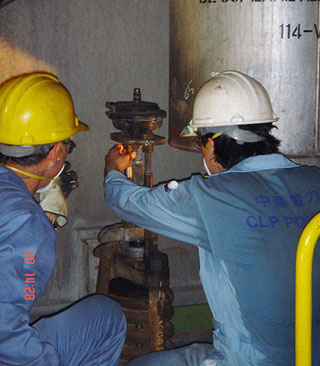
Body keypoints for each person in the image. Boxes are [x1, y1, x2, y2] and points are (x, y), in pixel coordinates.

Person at [103, 70, 320, 366]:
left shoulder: (211, 196)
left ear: (213, 146)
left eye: (200, 144)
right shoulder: (314, 180)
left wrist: (113, 170)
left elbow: (127, 203)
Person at [0, 72, 126, 366]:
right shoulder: (26, 224)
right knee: (105, 318)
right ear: (57, 153)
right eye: (67, 145)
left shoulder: (20, 214)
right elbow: (4, 330)